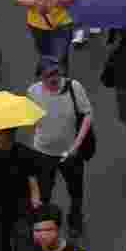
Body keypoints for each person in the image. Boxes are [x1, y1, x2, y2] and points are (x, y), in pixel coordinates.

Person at [27, 58, 94, 240]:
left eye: (57, 72)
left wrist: (76, 144)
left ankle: (75, 222)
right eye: (49, 75)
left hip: (70, 153)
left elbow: (87, 114)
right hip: (43, 153)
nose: (54, 78)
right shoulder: (33, 92)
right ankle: (47, 228)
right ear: (41, 77)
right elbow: (31, 118)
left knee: (75, 192)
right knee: (44, 195)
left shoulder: (74, 87)